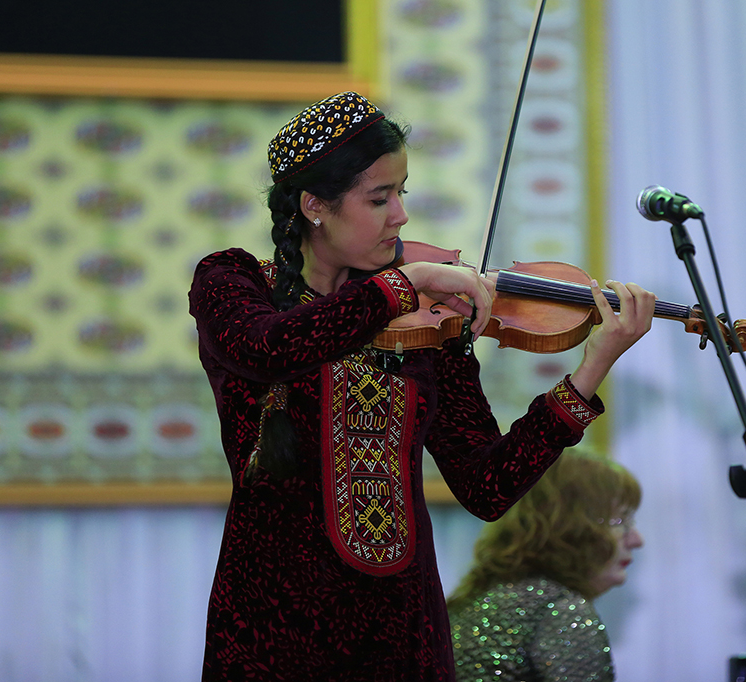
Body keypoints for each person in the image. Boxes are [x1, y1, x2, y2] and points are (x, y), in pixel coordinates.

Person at [188, 91, 655, 681]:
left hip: (404, 631)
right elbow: (269, 347)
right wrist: (401, 284)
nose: (400, 215)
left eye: (402, 192)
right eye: (379, 198)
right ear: (314, 206)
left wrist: (591, 369)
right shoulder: (233, 281)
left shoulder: (427, 321)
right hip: (275, 626)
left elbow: (486, 485)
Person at [447, 448, 644, 682]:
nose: (636, 540)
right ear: (570, 526)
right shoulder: (559, 610)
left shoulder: (474, 600)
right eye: (621, 520)